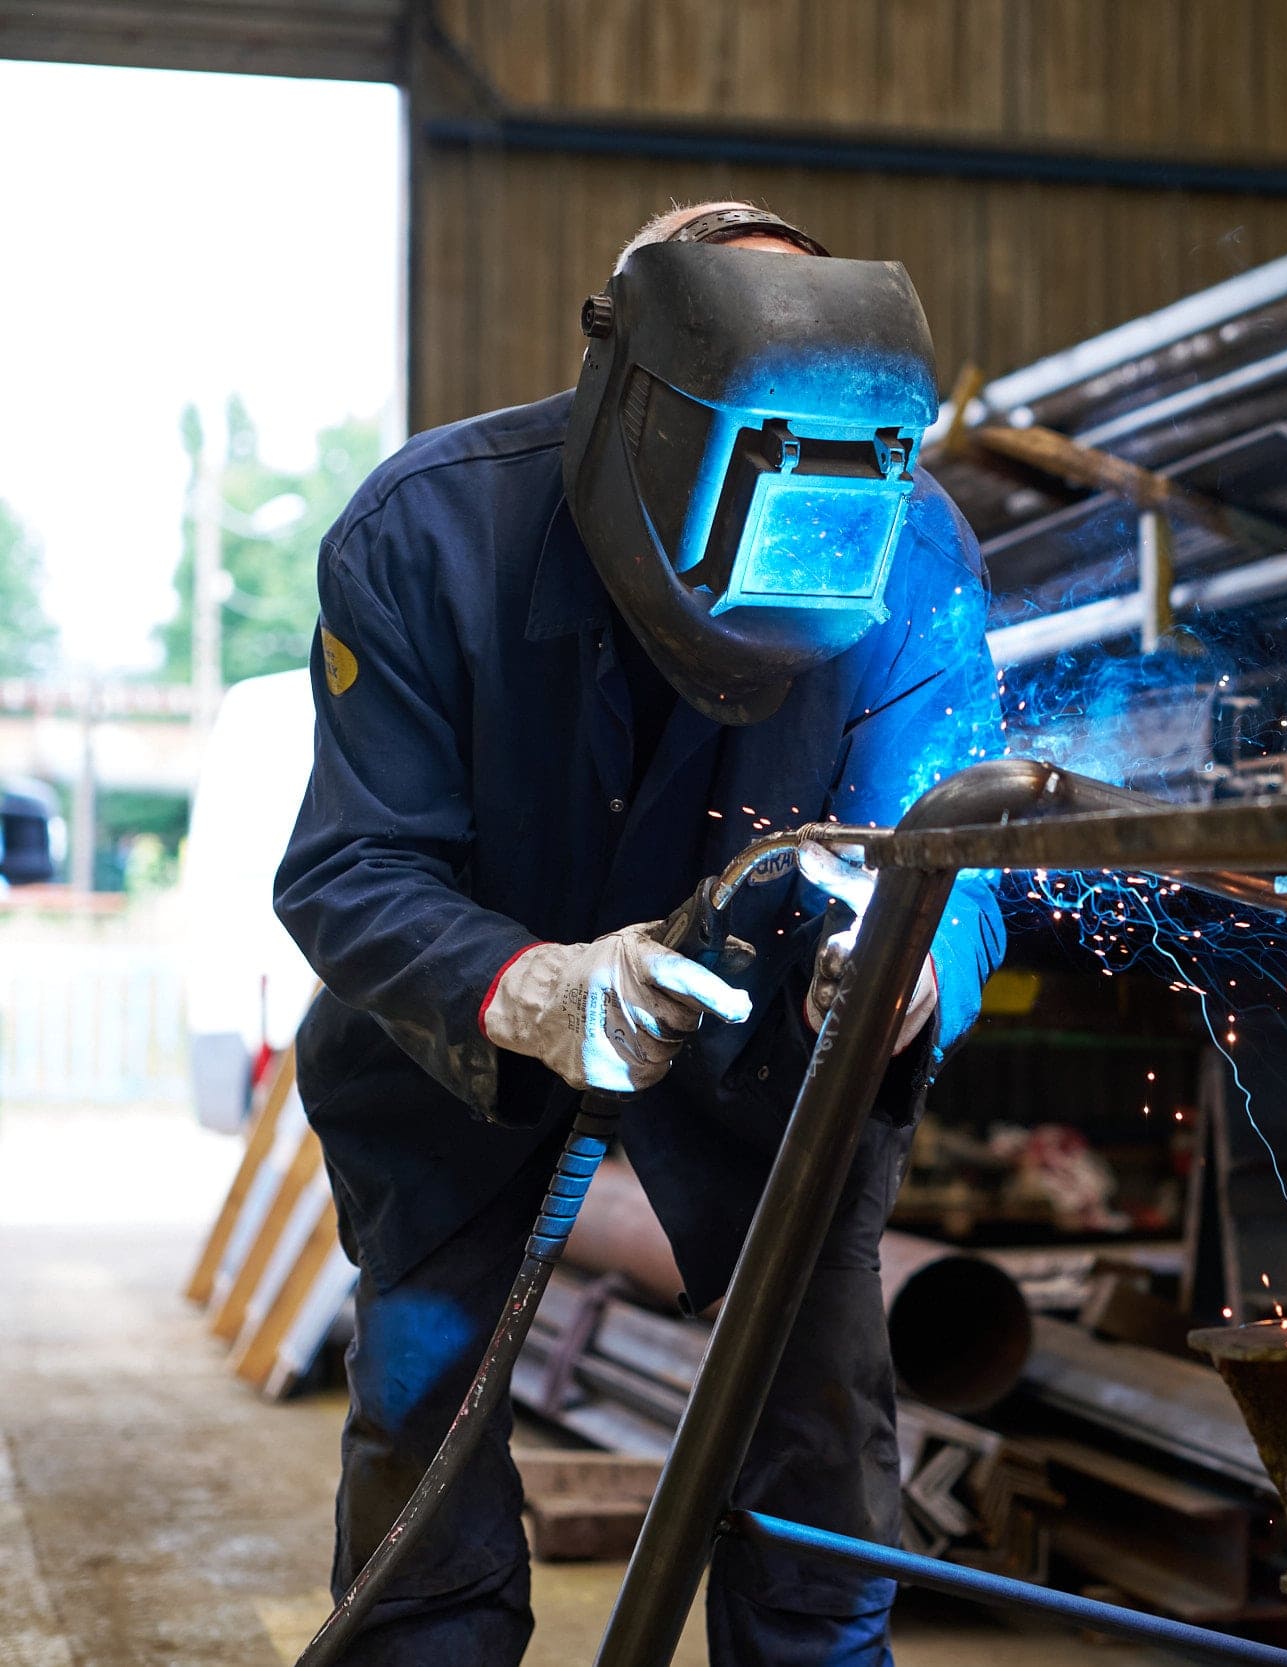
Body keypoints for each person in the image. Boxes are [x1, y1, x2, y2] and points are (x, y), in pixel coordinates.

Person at [275, 200, 1004, 1665]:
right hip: (463, 1059)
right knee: (426, 1439)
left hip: (773, 1063)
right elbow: (352, 867)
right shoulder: (428, 532)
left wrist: (913, 966)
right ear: (641, 403)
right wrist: (529, 987)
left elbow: (955, 855)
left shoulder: (913, 545)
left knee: (820, 1485)